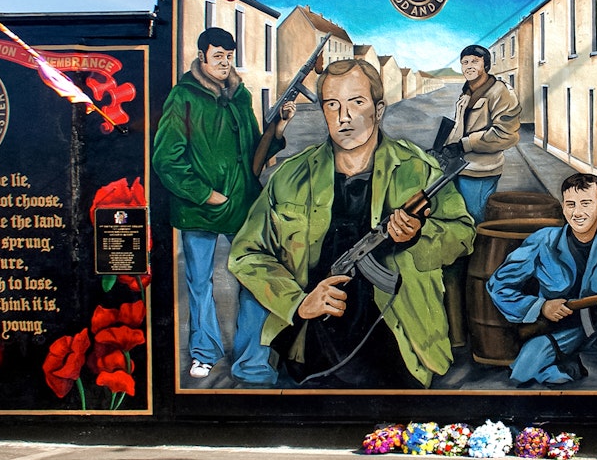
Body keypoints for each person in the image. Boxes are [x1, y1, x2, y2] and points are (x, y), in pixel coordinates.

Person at [228, 59, 475, 388]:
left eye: (357, 102)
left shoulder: (418, 169)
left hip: (401, 342)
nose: (344, 117)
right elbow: (245, 253)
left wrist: (419, 235)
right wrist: (297, 302)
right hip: (309, 346)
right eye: (332, 105)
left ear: (379, 108)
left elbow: (463, 234)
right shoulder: (291, 176)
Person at [152, 27, 295, 385]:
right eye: (217, 56)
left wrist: (277, 131)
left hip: (242, 204)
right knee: (200, 283)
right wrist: (204, 193)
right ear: (201, 57)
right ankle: (203, 352)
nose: (224, 62)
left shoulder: (240, 95)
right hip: (198, 208)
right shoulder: (183, 98)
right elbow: (166, 159)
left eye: (229, 56)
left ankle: (252, 359)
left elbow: (253, 151)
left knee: (254, 275)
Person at [486, 173, 597, 389]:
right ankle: (568, 365)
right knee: (522, 372)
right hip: (562, 331)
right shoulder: (544, 240)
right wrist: (541, 307)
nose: (577, 213)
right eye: (570, 204)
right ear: (563, 207)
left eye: (585, 204)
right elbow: (499, 285)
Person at [442, 44, 522, 224]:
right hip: (458, 168)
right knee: (458, 220)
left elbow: (506, 133)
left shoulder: (500, 92)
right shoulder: (466, 93)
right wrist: (446, 146)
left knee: (475, 221)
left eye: (475, 62)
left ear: (486, 65)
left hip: (481, 171)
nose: (469, 66)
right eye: (465, 62)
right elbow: (459, 127)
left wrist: (465, 144)